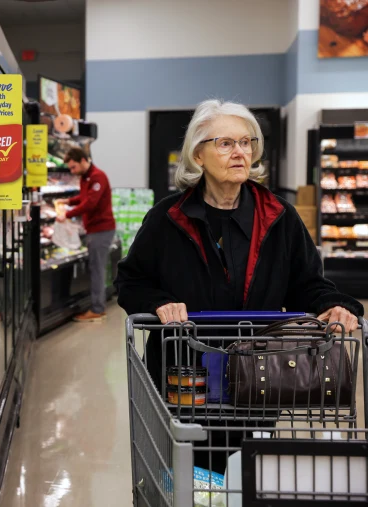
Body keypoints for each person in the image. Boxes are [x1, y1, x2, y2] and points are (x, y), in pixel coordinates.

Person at [115, 99, 363, 473]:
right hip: (185, 373)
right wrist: (160, 302)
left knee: (245, 466)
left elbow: (308, 284)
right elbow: (131, 281)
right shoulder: (167, 219)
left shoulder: (279, 217)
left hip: (258, 373)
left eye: (247, 143)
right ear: (198, 155)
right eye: (226, 143)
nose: (240, 153)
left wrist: (336, 305)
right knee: (187, 470)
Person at [56, 148, 116, 322]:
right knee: (95, 268)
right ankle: (97, 305)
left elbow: (90, 203)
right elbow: (84, 197)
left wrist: (66, 214)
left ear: (83, 160)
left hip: (101, 230)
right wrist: (68, 201)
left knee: (97, 270)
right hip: (93, 230)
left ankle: (98, 309)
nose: (72, 171)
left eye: (74, 167)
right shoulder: (86, 177)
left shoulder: (98, 177)